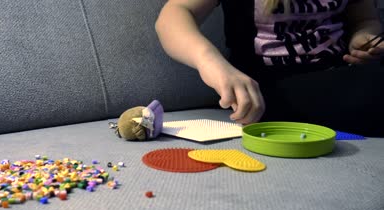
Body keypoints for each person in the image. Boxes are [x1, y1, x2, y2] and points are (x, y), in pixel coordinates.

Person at [155, 0, 384, 136]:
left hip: (344, 77)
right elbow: (172, 17)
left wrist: (364, 38)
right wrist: (212, 63)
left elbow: (365, 20)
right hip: (266, 93)